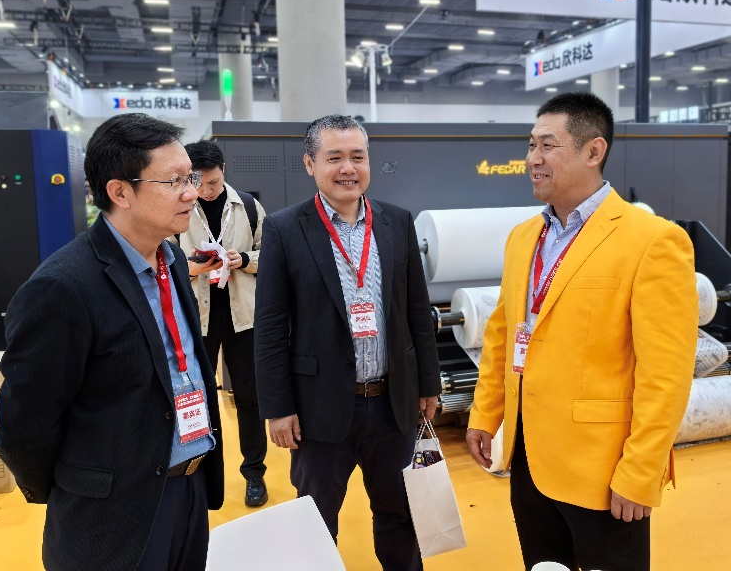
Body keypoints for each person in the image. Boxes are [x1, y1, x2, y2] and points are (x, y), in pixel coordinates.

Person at [466, 92, 698, 571]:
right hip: (529, 461)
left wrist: (641, 471)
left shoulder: (653, 240)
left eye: (548, 146)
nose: (533, 158)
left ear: (593, 152)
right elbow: (503, 334)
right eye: (531, 145)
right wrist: (485, 414)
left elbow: (666, 374)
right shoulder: (523, 238)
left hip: (604, 473)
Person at [0, 113, 224, 571]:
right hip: (112, 513)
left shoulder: (172, 260)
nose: (191, 193)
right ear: (120, 192)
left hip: (189, 489)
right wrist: (79, 487)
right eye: (174, 181)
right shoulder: (63, 287)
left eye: (191, 178)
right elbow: (25, 425)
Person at [254, 114, 441, 570]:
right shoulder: (284, 229)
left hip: (393, 405)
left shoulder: (397, 222)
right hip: (317, 409)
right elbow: (271, 326)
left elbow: (418, 311)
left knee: (401, 517)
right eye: (334, 157)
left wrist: (428, 385)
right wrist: (278, 407)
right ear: (310, 164)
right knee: (316, 523)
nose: (348, 168)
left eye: (358, 156)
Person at [176, 139, 269, 507]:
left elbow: (272, 254)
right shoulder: (177, 205)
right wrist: (193, 267)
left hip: (242, 317)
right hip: (195, 318)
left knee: (250, 398)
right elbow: (161, 259)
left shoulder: (248, 207)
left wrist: (243, 259)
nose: (206, 190)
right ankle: (199, 473)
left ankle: (254, 473)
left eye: (213, 182)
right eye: (198, 183)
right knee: (196, 399)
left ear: (224, 171)